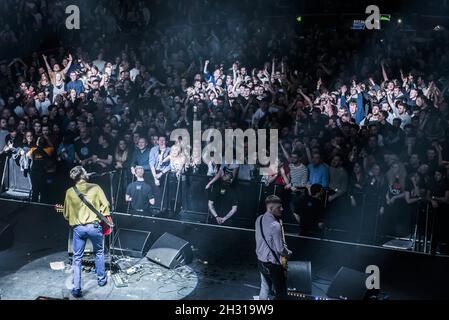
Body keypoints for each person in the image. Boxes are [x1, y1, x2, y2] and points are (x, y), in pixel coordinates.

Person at [62, 166, 110, 298]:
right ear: (83, 174)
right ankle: (101, 280)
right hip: (94, 227)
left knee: (77, 258)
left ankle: (76, 289)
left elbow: (66, 214)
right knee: (99, 253)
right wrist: (102, 216)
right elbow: (105, 205)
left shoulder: (70, 192)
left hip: (79, 228)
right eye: (85, 171)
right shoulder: (95, 187)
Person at [255, 195, 292, 300]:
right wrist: (288, 253)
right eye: (279, 207)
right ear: (271, 209)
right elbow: (280, 249)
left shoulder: (259, 219)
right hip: (272, 265)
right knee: (281, 294)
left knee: (265, 287)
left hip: (260, 261)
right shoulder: (275, 225)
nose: (282, 209)